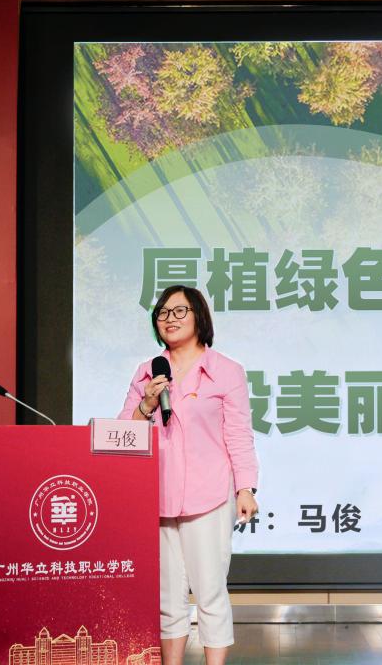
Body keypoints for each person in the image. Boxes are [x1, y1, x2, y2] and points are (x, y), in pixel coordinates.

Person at [119, 285, 259, 665]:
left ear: (199, 316)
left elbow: (238, 434)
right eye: (163, 313)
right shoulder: (147, 372)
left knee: (210, 591)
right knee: (167, 597)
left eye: (179, 311)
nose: (170, 319)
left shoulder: (225, 371)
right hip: (158, 496)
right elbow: (123, 434)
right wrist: (146, 404)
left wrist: (245, 488)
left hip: (209, 494)